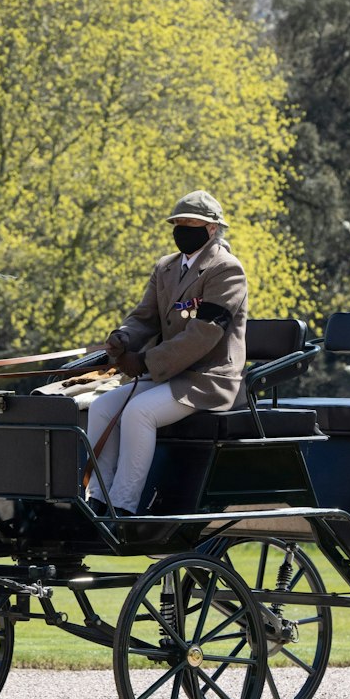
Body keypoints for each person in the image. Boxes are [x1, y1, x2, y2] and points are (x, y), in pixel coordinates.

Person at [86, 191, 249, 516]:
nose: (183, 229)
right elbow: (143, 317)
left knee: (139, 412)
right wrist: (123, 339)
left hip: (208, 379)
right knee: (102, 407)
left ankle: (123, 506)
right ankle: (97, 499)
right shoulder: (166, 268)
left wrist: (145, 361)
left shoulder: (226, 271)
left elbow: (203, 334)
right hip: (170, 375)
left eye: (192, 224)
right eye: (178, 223)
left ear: (213, 229)